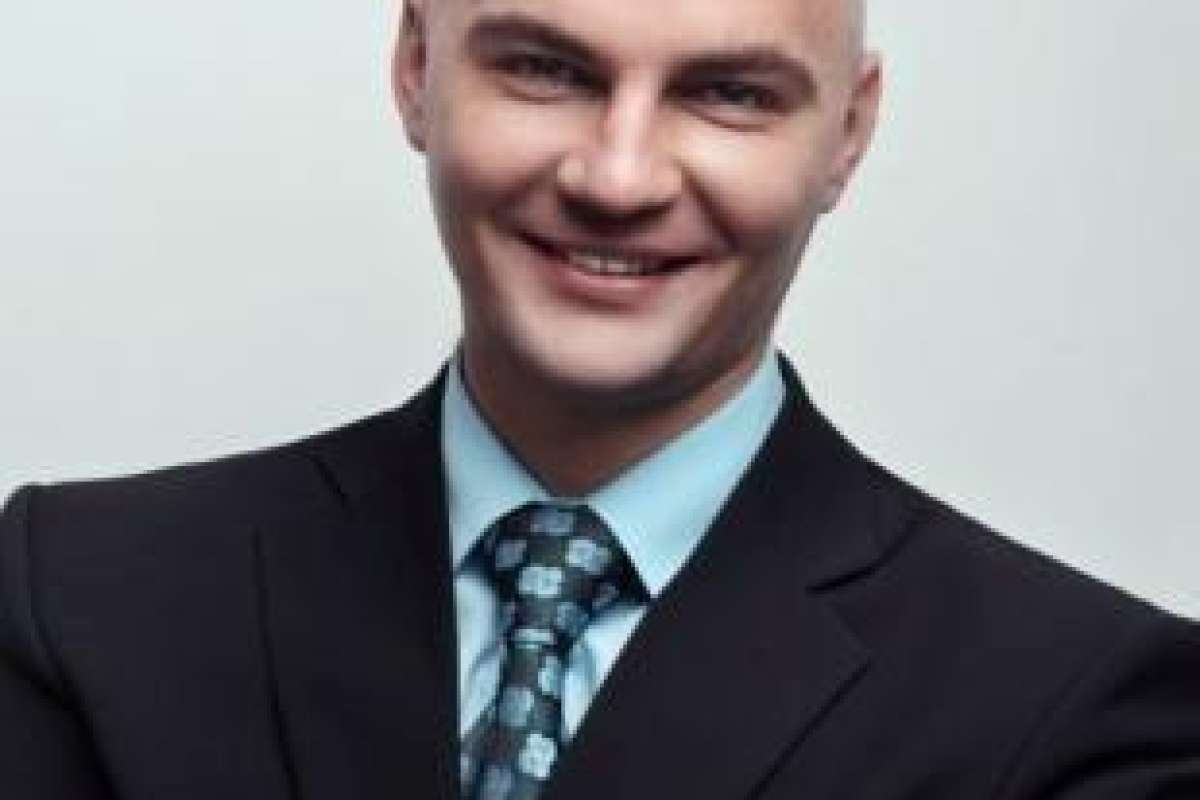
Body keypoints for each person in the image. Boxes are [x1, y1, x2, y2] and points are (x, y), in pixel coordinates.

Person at [2, 0, 1198, 797]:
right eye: (545, 69)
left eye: (730, 93)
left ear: (849, 131)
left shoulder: (1082, 707)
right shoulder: (82, 596)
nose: (617, 178)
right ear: (417, 68)